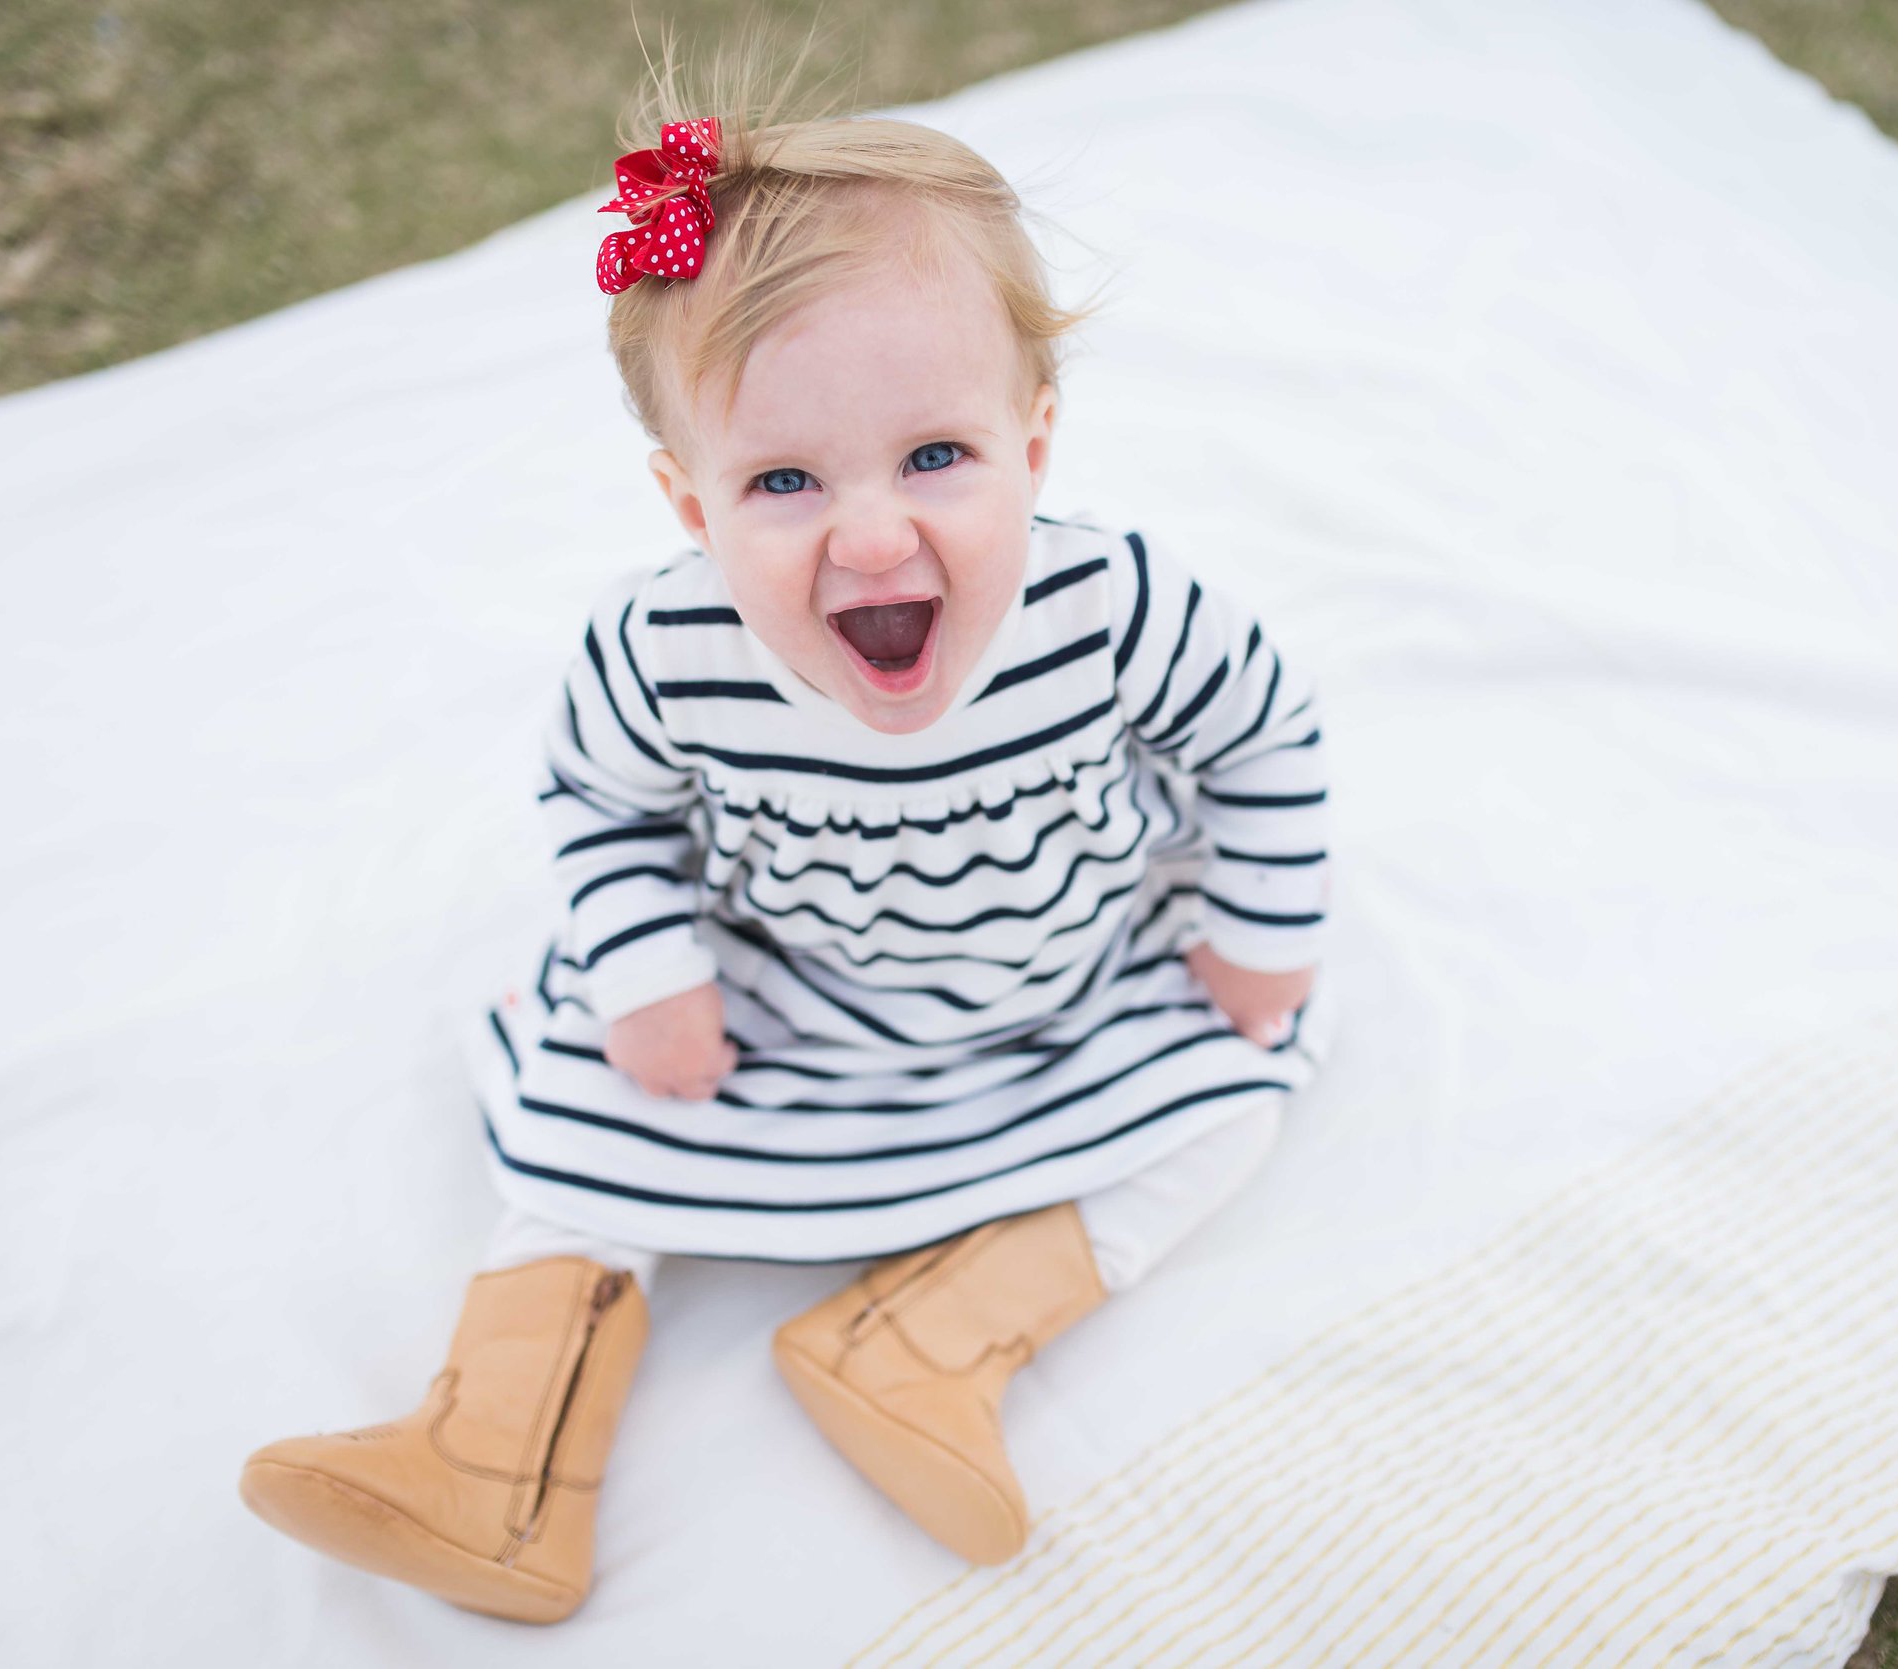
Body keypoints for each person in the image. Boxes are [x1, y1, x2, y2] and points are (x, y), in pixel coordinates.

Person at [237, 66, 1331, 1625]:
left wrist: (1262, 933)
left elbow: (1263, 737)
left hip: (1068, 980)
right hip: (788, 990)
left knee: (1240, 1099)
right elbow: (596, 801)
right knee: (583, 1088)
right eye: (785, 481)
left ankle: (926, 1346)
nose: (873, 535)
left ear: (1037, 438)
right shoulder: (666, 651)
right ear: (689, 503)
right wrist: (652, 969)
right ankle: (496, 1458)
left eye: (936, 457)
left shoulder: (1121, 610)